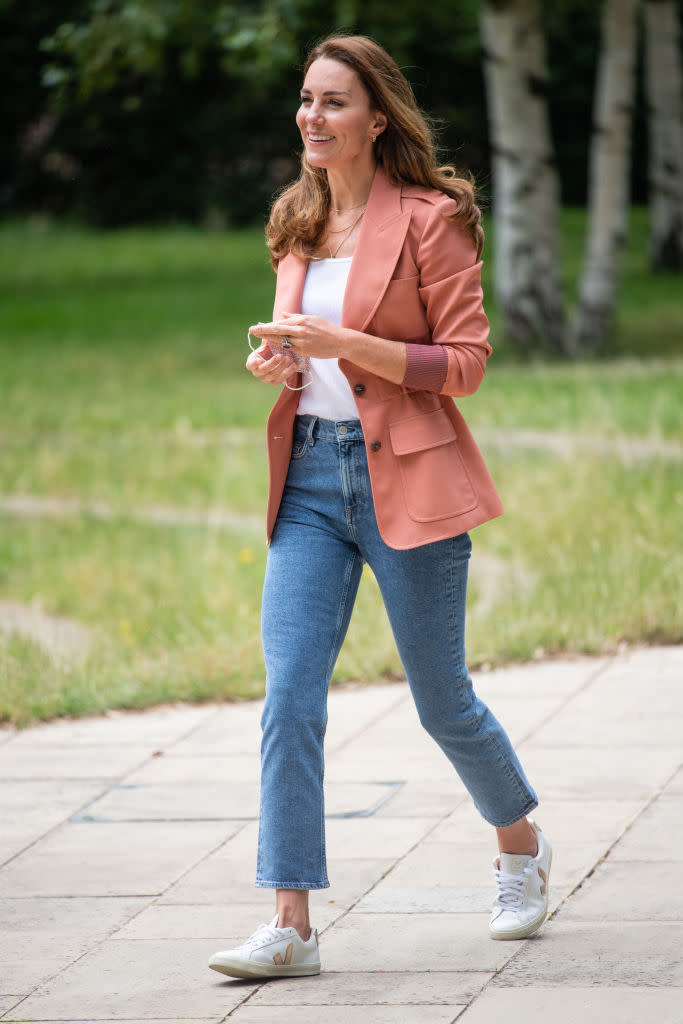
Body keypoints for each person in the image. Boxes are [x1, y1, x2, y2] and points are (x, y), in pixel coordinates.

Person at [209, 34, 551, 981]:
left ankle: (519, 847)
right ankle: (290, 924)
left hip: (410, 474)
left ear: (375, 117)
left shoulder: (431, 219)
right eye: (305, 100)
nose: (310, 117)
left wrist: (346, 344)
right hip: (312, 480)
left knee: (441, 700)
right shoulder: (296, 219)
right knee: (289, 693)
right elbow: (310, 356)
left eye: (331, 102)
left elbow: (467, 365)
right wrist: (283, 363)